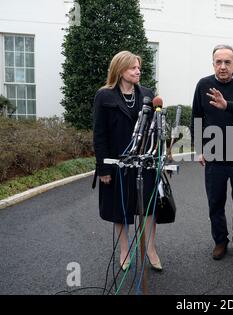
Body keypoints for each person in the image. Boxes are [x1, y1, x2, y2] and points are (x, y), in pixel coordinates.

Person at [93, 51, 162, 272]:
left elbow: (155, 131)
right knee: (120, 209)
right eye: (133, 67)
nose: (138, 71)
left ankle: (150, 249)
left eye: (139, 67)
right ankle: (125, 250)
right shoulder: (104, 96)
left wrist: (159, 159)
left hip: (145, 163)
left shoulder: (148, 94)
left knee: (148, 209)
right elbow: (99, 134)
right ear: (120, 70)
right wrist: (103, 167)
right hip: (117, 165)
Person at [190, 44, 233, 260]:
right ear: (213, 63)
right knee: (215, 203)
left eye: (227, 62)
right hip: (214, 156)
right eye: (218, 62)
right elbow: (197, 118)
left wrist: (227, 104)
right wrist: (200, 148)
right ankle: (220, 241)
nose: (222, 66)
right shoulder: (204, 85)